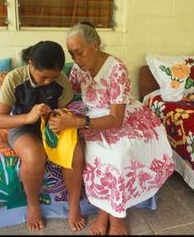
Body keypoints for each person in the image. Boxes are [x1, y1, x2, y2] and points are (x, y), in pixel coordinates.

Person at [48, 22, 175, 235]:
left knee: (119, 155)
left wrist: (78, 123)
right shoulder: (80, 69)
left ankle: (114, 218)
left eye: (79, 52)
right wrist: (58, 112)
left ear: (95, 45)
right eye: (72, 55)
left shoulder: (116, 68)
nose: (76, 60)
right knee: (99, 153)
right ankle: (104, 213)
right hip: (92, 116)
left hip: (121, 116)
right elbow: (69, 93)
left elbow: (116, 119)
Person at [0, 41, 85, 232]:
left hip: (52, 126)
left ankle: (74, 205)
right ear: (30, 64)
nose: (48, 82)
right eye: (44, 77)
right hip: (22, 127)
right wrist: (29, 117)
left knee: (75, 153)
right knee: (35, 157)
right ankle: (33, 204)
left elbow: (64, 109)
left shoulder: (60, 80)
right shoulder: (14, 78)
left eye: (52, 78)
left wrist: (56, 118)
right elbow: (0, 120)